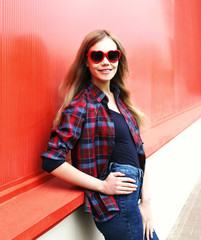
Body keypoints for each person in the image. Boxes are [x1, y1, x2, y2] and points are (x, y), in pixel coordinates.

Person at [41, 29, 159, 240]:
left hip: (133, 199)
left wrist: (146, 201)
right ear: (86, 61)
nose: (106, 62)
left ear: (118, 59)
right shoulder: (81, 106)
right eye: (97, 56)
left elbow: (139, 151)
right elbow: (51, 160)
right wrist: (102, 185)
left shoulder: (120, 101)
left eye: (112, 55)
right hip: (116, 205)